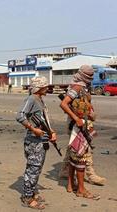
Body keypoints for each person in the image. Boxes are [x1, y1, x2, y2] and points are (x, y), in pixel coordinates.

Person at [60, 65, 102, 199]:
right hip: (78, 126)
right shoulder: (77, 87)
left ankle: (70, 184)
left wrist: (92, 113)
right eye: (89, 76)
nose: (90, 78)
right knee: (81, 155)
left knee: (73, 154)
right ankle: (81, 189)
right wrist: (77, 118)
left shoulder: (83, 86)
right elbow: (64, 104)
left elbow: (86, 103)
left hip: (83, 123)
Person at [16, 76, 57, 210]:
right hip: (34, 141)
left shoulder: (39, 99)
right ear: (39, 88)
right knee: (32, 169)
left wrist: (51, 132)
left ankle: (32, 193)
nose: (47, 88)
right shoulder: (32, 99)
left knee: (37, 168)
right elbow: (20, 116)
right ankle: (27, 198)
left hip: (41, 140)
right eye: (45, 86)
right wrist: (34, 129)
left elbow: (43, 119)